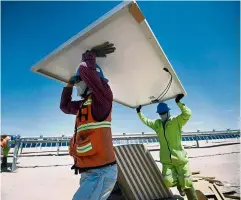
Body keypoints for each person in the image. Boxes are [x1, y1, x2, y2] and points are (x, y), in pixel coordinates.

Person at [60, 42, 118, 200]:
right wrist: (69, 84)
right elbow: (64, 106)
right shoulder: (83, 105)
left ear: (91, 82)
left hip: (101, 172)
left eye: (79, 83)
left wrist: (91, 55)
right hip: (90, 171)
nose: (77, 86)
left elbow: (86, 71)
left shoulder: (103, 100)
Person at [136, 94, 198, 200]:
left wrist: (179, 102)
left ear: (168, 112)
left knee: (186, 182)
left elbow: (187, 114)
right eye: (160, 113)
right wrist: (139, 112)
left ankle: (191, 197)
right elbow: (146, 121)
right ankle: (179, 187)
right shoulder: (157, 124)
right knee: (168, 181)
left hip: (179, 158)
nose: (162, 115)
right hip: (166, 159)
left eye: (164, 113)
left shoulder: (176, 121)